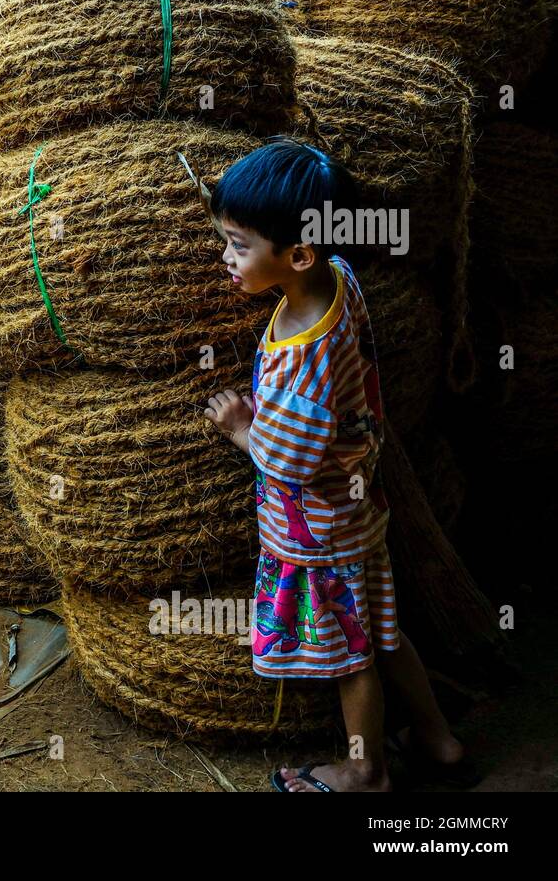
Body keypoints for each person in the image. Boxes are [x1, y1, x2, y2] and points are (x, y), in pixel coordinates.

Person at [202, 139, 471, 792]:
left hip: (317, 534)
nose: (224, 256)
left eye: (238, 243)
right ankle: (440, 741)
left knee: (350, 658)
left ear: (296, 254)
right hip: (358, 514)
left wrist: (243, 428)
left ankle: (366, 768)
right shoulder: (338, 280)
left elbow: (288, 460)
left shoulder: (301, 366)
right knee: (384, 632)